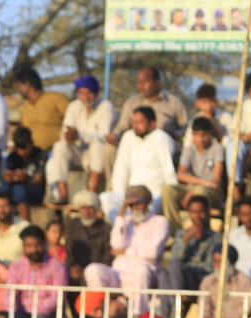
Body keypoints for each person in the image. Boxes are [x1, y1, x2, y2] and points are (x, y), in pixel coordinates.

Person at [86, 186, 171, 316]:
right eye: (131, 205)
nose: (135, 208)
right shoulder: (126, 220)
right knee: (93, 270)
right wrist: (121, 212)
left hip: (146, 275)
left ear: (147, 203)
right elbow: (115, 244)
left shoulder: (161, 222)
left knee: (140, 270)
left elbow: (153, 253)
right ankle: (100, 313)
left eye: (138, 204)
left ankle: (139, 316)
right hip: (119, 275)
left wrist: (125, 251)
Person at [47, 74, 115, 205]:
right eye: (82, 93)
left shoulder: (106, 106)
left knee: (97, 146)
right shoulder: (74, 106)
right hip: (78, 153)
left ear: (96, 93)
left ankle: (90, 196)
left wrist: (79, 135)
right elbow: (65, 131)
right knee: (59, 146)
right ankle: (63, 194)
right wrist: (69, 136)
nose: (85, 97)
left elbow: (104, 136)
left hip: (98, 155)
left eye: (89, 93)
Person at [101, 107, 177, 221]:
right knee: (104, 198)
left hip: (154, 195)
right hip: (132, 193)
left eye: (140, 122)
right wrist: (121, 195)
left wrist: (170, 194)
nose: (135, 126)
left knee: (148, 208)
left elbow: (169, 171)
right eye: (134, 122)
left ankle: (130, 225)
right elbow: (120, 170)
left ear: (152, 124)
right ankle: (120, 225)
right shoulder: (128, 136)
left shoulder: (161, 137)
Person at [106, 67, 189, 159]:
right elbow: (123, 125)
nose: (140, 85)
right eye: (138, 82)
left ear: (157, 82)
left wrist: (175, 135)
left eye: (145, 81)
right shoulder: (132, 102)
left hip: (164, 145)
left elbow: (185, 128)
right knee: (108, 149)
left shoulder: (173, 102)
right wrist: (115, 135)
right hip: (137, 143)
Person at [163, 117, 226, 232]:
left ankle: (203, 231)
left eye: (204, 134)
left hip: (212, 191)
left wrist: (195, 190)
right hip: (196, 187)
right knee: (167, 189)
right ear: (192, 135)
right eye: (197, 135)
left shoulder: (217, 148)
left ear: (211, 133)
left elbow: (216, 181)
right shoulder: (189, 150)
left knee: (200, 191)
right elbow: (181, 174)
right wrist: (200, 185)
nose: (201, 139)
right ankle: (175, 232)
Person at [6, 226, 69, 318]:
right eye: (29, 246)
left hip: (47, 317)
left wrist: (32, 313)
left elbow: (57, 299)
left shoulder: (57, 267)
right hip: (22, 315)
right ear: (23, 246)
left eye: (38, 245)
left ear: (44, 244)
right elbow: (10, 295)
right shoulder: (16, 266)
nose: (34, 250)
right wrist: (17, 315)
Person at [160, 195, 220, 297]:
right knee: (163, 276)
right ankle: (175, 304)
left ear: (208, 212)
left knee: (172, 270)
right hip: (180, 278)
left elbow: (210, 267)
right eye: (193, 212)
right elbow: (175, 259)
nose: (197, 216)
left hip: (201, 280)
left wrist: (185, 269)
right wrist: (186, 238)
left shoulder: (216, 237)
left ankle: (176, 303)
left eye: (201, 211)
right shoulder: (182, 234)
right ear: (189, 213)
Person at [14, 67, 69, 151]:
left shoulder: (55, 98)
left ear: (27, 84)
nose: (18, 90)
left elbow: (74, 118)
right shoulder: (26, 108)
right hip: (34, 154)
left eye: (19, 86)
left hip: (56, 151)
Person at [0, 127, 47, 220]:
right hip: (17, 190)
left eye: (25, 148)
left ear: (31, 143)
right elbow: (11, 178)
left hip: (37, 191)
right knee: (3, 189)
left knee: (19, 189)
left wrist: (25, 180)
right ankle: (5, 220)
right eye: (19, 148)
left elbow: (38, 182)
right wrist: (8, 179)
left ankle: (27, 223)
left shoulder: (40, 154)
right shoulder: (13, 156)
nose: (22, 152)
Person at [200, 245, 251, 318]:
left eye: (221, 261)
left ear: (230, 262)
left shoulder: (245, 281)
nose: (218, 265)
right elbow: (204, 306)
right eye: (215, 261)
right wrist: (207, 317)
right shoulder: (208, 281)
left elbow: (245, 308)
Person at [64, 191, 112, 281]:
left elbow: (107, 258)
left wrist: (85, 270)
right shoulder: (73, 225)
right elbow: (69, 251)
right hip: (75, 273)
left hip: (98, 274)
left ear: (96, 209)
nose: (86, 212)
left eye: (90, 208)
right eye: (83, 208)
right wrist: (72, 268)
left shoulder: (106, 229)